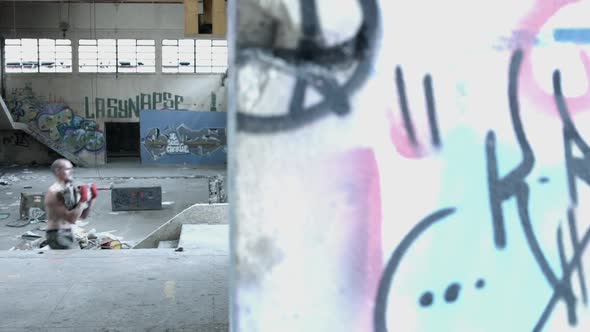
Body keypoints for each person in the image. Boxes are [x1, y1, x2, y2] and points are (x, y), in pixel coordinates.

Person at [44, 159, 94, 249]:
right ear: (57, 171)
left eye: (72, 168)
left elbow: (82, 216)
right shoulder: (54, 192)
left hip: (67, 231)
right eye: (67, 169)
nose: (71, 171)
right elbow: (72, 219)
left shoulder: (68, 190)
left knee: (72, 260)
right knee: (70, 260)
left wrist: (90, 199)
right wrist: (82, 201)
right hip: (57, 234)